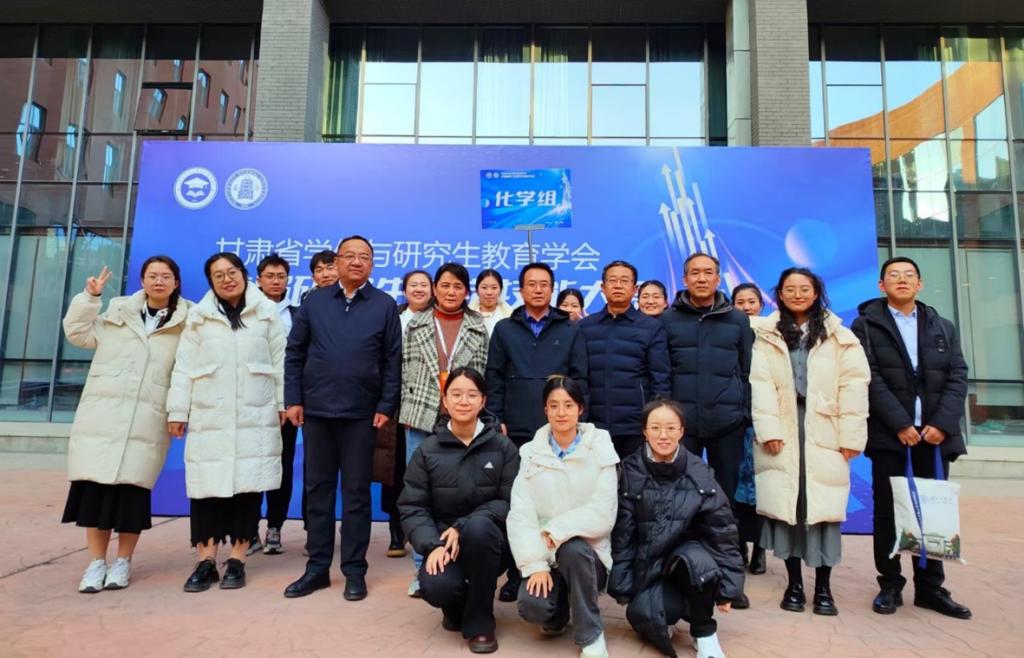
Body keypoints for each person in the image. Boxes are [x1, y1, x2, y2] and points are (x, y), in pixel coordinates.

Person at [282, 235, 402, 601]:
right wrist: (293, 399)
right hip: (317, 411)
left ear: (372, 264)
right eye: (349, 255)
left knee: (356, 493)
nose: (356, 262)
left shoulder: (384, 305)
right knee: (318, 491)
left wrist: (385, 406)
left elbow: (392, 361)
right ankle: (317, 568)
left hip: (362, 415)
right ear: (336, 262)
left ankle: (354, 570)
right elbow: (295, 353)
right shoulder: (316, 301)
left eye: (364, 256)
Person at [61, 257, 191, 593]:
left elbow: (185, 372)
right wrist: (90, 299)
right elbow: (77, 334)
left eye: (166, 276)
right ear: (142, 281)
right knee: (95, 493)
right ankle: (96, 563)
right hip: (103, 418)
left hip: (147, 421)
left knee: (132, 495)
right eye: (152, 276)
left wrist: (178, 412)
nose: (159, 281)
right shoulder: (117, 313)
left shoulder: (186, 322)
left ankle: (123, 562)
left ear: (176, 283)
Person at [851, 256, 971, 620]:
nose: (901, 280)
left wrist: (942, 423)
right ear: (881, 285)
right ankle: (890, 584)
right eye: (893, 275)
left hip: (934, 437)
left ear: (919, 284)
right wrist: (901, 423)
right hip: (892, 436)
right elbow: (867, 377)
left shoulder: (941, 325)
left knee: (932, 509)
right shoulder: (865, 325)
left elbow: (958, 375)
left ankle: (931, 587)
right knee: (888, 511)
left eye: (908, 275)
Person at [749, 267, 869, 616]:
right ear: (779, 294)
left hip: (825, 430)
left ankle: (824, 588)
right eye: (790, 289)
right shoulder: (767, 335)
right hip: (784, 428)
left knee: (822, 508)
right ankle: (794, 585)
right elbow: (760, 385)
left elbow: (854, 386)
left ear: (816, 293)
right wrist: (769, 431)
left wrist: (851, 436)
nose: (797, 294)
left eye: (804, 288)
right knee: (790, 504)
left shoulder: (840, 335)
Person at [167, 252, 286, 593]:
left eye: (232, 272)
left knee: (247, 488)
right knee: (206, 489)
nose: (226, 279)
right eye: (218, 275)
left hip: (255, 413)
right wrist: (177, 411)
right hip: (211, 414)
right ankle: (205, 561)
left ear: (244, 274)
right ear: (211, 282)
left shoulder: (266, 313)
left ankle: (237, 559)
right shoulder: (199, 318)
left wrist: (282, 404)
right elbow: (183, 367)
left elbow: (281, 362)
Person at [486, 262, 589, 601]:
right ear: (521, 290)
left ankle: (555, 568)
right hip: (514, 426)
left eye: (544, 284)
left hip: (558, 427)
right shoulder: (505, 328)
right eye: (531, 284)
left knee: (555, 499)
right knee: (518, 503)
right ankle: (516, 572)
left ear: (552, 288)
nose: (538, 289)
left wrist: (575, 420)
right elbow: (494, 376)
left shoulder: (570, 328)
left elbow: (580, 377)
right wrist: (496, 417)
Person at [609, 399, 744, 658]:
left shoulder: (700, 473)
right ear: (644, 431)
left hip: (690, 562)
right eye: (656, 428)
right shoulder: (630, 470)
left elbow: (723, 532)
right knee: (647, 615)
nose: (663, 435)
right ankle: (671, 611)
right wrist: (623, 586)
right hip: (648, 564)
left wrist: (729, 588)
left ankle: (704, 633)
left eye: (671, 428)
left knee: (697, 561)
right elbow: (624, 535)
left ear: (681, 431)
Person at [399, 367, 520, 654]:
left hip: (492, 543)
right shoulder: (427, 450)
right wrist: (432, 545)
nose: (463, 401)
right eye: (456, 394)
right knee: (436, 586)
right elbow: (413, 505)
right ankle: (457, 607)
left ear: (483, 401)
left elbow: (511, 501)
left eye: (471, 395)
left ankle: (480, 624)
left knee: (478, 528)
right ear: (445, 400)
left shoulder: (503, 447)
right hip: (445, 544)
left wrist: (462, 525)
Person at [661, 253, 753, 607]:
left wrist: (743, 412)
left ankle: (729, 581)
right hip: (681, 427)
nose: (701, 278)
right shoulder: (668, 320)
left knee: (724, 502)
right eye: (695, 273)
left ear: (718, 278)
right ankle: (681, 573)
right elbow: (662, 372)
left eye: (708, 273)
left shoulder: (738, 320)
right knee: (678, 498)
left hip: (727, 423)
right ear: (684, 279)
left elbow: (747, 371)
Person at [507, 376, 619, 658]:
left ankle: (591, 634)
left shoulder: (600, 445)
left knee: (573, 548)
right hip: (546, 553)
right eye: (554, 405)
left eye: (568, 405)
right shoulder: (530, 453)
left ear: (580, 408)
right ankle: (557, 616)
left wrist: (556, 530)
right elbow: (521, 513)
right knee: (533, 607)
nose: (561, 412)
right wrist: (535, 565)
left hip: (588, 556)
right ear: (545, 410)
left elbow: (604, 511)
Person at [400, 262, 489, 597]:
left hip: (464, 420)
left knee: (463, 493)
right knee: (421, 496)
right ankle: (422, 566)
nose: (451, 292)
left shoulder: (478, 326)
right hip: (422, 417)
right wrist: (404, 409)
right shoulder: (415, 323)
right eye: (446, 286)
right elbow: (402, 370)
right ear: (435, 288)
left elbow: (483, 375)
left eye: (458, 287)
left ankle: (461, 563)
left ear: (467, 291)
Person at [579, 260, 671, 459]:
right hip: (594, 426)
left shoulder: (651, 328)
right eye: (613, 280)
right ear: (602, 287)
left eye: (624, 281)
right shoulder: (585, 327)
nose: (618, 285)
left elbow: (660, 379)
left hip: (635, 426)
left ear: (635, 288)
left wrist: (655, 421)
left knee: (634, 477)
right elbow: (579, 377)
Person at [381, 268, 432, 561]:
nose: (419, 289)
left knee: (424, 468)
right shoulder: (393, 316)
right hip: (395, 403)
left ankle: (424, 531)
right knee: (395, 469)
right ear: (404, 290)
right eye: (413, 284)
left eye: (424, 284)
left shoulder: (438, 317)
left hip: (426, 404)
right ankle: (396, 530)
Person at [250, 253, 299, 556]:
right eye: (270, 276)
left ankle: (275, 527)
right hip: (252, 401)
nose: (276, 281)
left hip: (286, 403)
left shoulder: (298, 313)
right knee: (252, 464)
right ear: (258, 279)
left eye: (281, 276)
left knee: (282, 464)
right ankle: (249, 528)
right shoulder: (248, 312)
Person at [730, 283, 768, 576]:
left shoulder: (771, 333)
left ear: (761, 305)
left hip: (764, 420)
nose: (746, 306)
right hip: (735, 418)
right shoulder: (729, 331)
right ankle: (739, 543)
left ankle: (761, 548)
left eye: (751, 301)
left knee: (763, 486)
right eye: (740, 301)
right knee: (734, 485)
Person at [468, 268, 514, 337]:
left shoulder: (510, 318)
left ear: (501, 291)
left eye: (494, 287)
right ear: (477, 291)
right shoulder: (467, 317)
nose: (489, 292)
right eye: (484, 287)